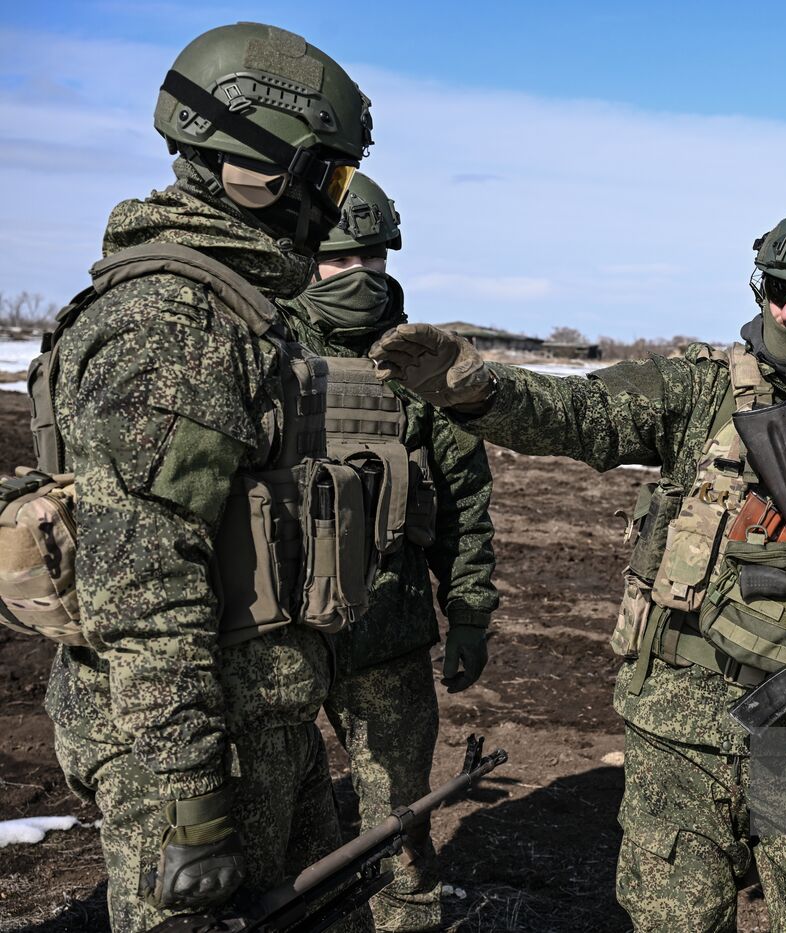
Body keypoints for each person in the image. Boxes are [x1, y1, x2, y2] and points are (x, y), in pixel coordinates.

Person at [369, 203, 786, 930]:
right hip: (675, 732)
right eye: (774, 287)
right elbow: (580, 411)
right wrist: (479, 389)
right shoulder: (701, 390)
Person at [33, 23, 376, 932]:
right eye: (327, 177)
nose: (331, 205)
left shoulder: (237, 310)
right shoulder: (170, 326)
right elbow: (145, 586)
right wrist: (191, 803)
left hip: (259, 721)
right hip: (190, 753)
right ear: (259, 166)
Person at [277, 172, 498, 931]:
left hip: (390, 633)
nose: (364, 275)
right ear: (308, 258)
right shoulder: (262, 344)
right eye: (344, 259)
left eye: (375, 257)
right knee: (278, 829)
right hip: (278, 638)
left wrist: (468, 612)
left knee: (399, 820)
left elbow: (464, 498)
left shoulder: (420, 359)